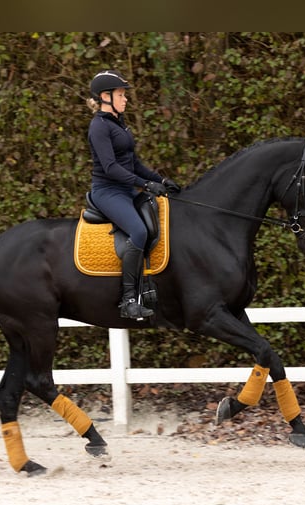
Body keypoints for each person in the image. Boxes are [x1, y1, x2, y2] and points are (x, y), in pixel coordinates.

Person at [86, 70, 181, 320]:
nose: (125, 98)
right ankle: (129, 299)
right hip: (107, 191)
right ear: (105, 96)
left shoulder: (119, 124)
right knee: (138, 231)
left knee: (158, 219)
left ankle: (148, 285)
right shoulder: (99, 126)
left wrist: (160, 180)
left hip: (126, 188)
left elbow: (133, 163)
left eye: (124, 94)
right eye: (121, 94)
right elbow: (111, 168)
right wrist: (145, 185)